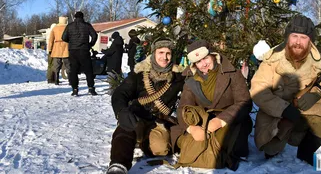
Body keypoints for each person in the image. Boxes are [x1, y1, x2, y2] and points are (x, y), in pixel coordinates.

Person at [250, 15, 321, 166]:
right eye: (294, 36)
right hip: (276, 116)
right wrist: (284, 109)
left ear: (310, 40)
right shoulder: (272, 59)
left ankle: (305, 153)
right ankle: (274, 146)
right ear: (288, 37)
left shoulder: (319, 63)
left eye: (303, 37)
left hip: (303, 115)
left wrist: (317, 95)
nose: (298, 42)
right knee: (271, 148)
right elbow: (258, 90)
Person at [171, 40, 253, 171]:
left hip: (231, 122)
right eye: (198, 62)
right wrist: (191, 128)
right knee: (186, 142)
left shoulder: (232, 74)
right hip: (203, 122)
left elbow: (244, 102)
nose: (203, 64)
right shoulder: (190, 80)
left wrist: (221, 120)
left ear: (213, 55)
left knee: (229, 146)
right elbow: (183, 108)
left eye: (205, 58)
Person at [107, 38, 184, 174]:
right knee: (126, 127)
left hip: (161, 121)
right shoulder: (139, 74)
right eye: (161, 52)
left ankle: (142, 140)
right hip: (138, 116)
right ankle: (118, 166)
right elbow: (120, 94)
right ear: (153, 53)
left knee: (160, 148)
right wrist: (121, 112)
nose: (164, 57)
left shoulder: (179, 77)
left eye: (168, 53)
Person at [62, 11, 98, 96]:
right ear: (82, 17)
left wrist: (71, 42)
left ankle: (75, 89)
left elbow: (63, 37)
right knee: (88, 70)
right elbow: (94, 35)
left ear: (74, 17)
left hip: (73, 51)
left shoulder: (69, 26)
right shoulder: (87, 25)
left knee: (73, 70)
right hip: (84, 50)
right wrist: (90, 44)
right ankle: (91, 88)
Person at [48, 16, 70, 85]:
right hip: (66, 46)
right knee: (68, 65)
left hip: (57, 47)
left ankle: (56, 80)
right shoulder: (68, 27)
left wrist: (50, 49)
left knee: (56, 65)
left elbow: (51, 40)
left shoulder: (55, 28)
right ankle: (70, 80)